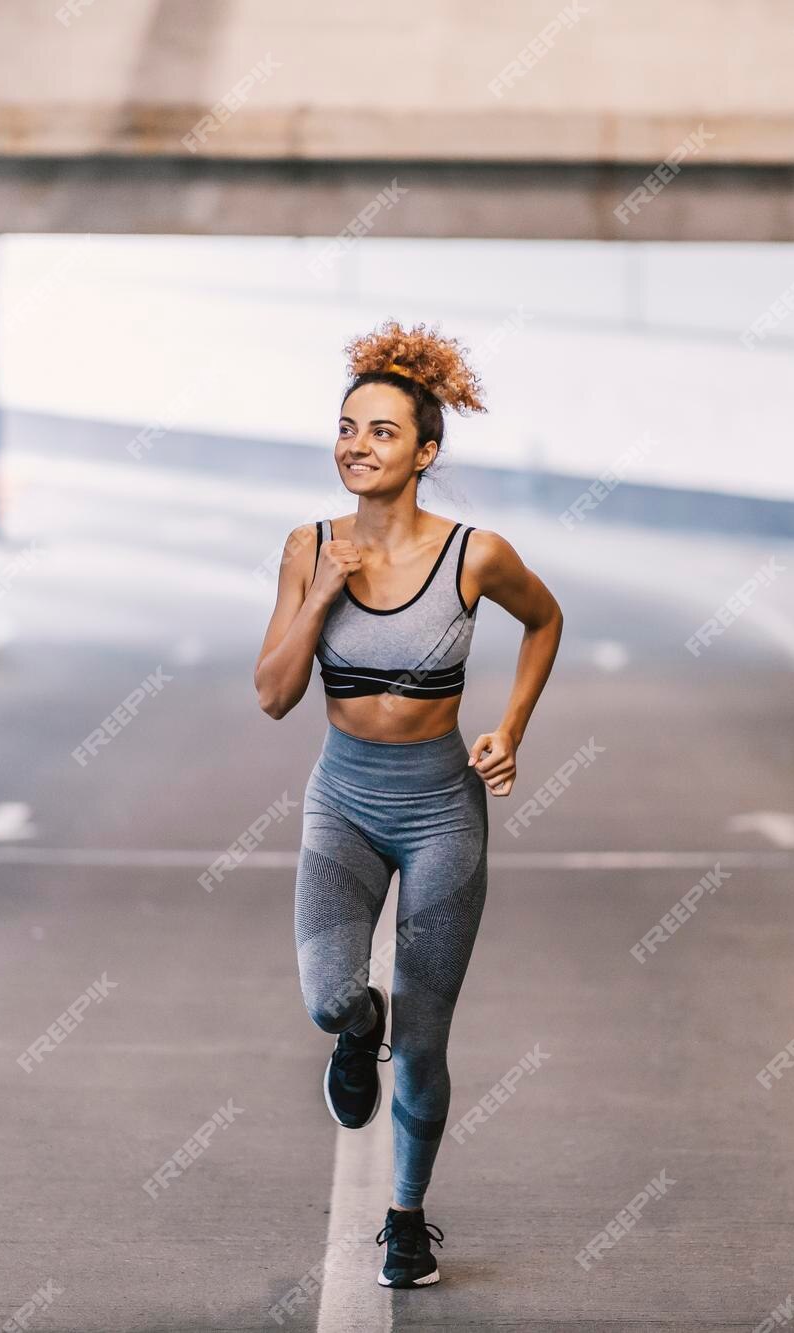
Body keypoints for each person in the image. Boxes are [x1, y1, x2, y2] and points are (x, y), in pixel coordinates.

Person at [253, 320, 564, 1288]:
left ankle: (404, 1218)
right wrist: (319, 597)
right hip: (341, 802)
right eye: (346, 427)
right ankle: (355, 1030)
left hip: (439, 812)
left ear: (424, 452)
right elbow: (271, 694)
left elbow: (544, 619)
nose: (356, 444)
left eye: (382, 432)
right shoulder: (307, 546)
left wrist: (508, 729)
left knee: (424, 1041)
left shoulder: (475, 555)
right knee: (327, 997)